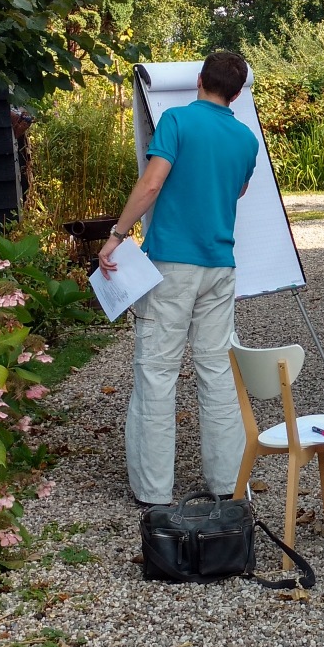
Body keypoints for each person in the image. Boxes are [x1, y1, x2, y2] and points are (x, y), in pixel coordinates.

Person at [100, 50, 261, 508]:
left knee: (157, 373)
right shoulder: (245, 139)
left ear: (199, 79)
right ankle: (227, 484)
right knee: (218, 374)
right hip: (220, 266)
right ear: (236, 92)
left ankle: (153, 491)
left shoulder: (175, 121)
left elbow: (152, 184)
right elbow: (239, 188)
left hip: (171, 264)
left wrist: (116, 234)